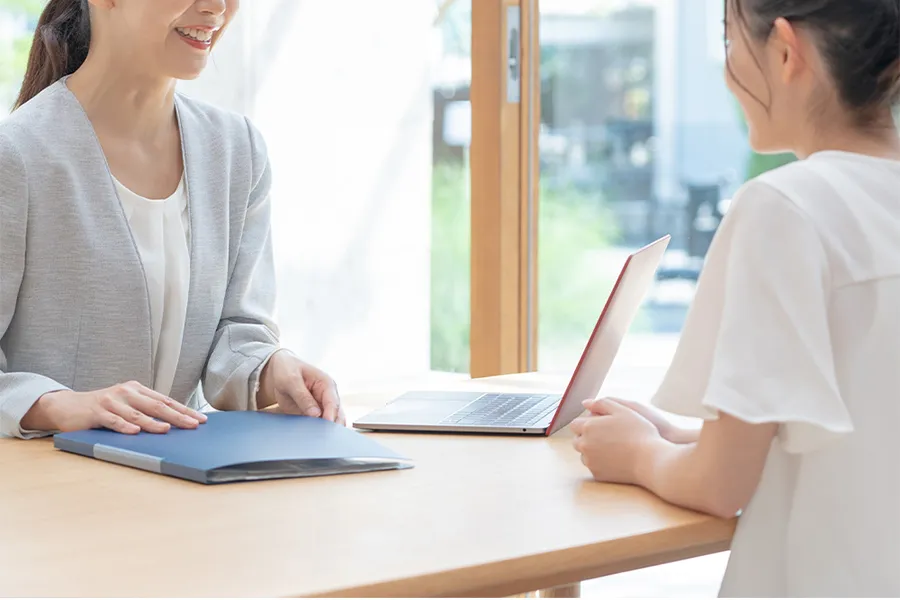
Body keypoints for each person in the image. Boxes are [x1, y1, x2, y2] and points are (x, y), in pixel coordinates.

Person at [571, 0, 900, 596]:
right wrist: (682, 436)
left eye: (729, 41)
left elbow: (720, 486)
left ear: (785, 50)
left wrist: (640, 455)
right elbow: (865, 432)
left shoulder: (785, 208)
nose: (726, 73)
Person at [0, 0, 345, 439]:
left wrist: (272, 369)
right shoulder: (17, 155)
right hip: (53, 476)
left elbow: (236, 333)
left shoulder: (237, 150)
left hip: (184, 473)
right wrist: (57, 405)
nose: (216, 7)